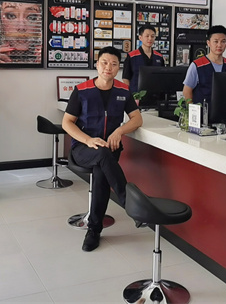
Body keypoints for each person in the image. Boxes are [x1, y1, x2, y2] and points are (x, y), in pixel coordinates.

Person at [62, 46, 143, 252]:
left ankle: (94, 230)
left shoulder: (123, 91)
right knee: (102, 157)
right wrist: (88, 140)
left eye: (114, 64)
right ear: (97, 65)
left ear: (118, 68)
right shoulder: (82, 90)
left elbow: (137, 119)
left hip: (109, 148)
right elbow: (67, 123)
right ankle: (129, 204)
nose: (109, 67)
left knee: (101, 172)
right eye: (104, 62)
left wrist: (119, 131)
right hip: (83, 148)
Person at [182, 25, 226, 105]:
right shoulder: (197, 65)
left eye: (223, 41)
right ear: (208, 43)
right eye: (216, 41)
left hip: (225, 110)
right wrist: (192, 109)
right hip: (203, 110)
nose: (219, 45)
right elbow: (187, 91)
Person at [122, 24, 165, 93]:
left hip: (155, 94)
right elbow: (125, 78)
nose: (150, 38)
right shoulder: (132, 56)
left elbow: (162, 77)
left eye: (152, 36)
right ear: (140, 37)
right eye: (147, 36)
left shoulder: (159, 57)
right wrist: (132, 93)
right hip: (136, 95)